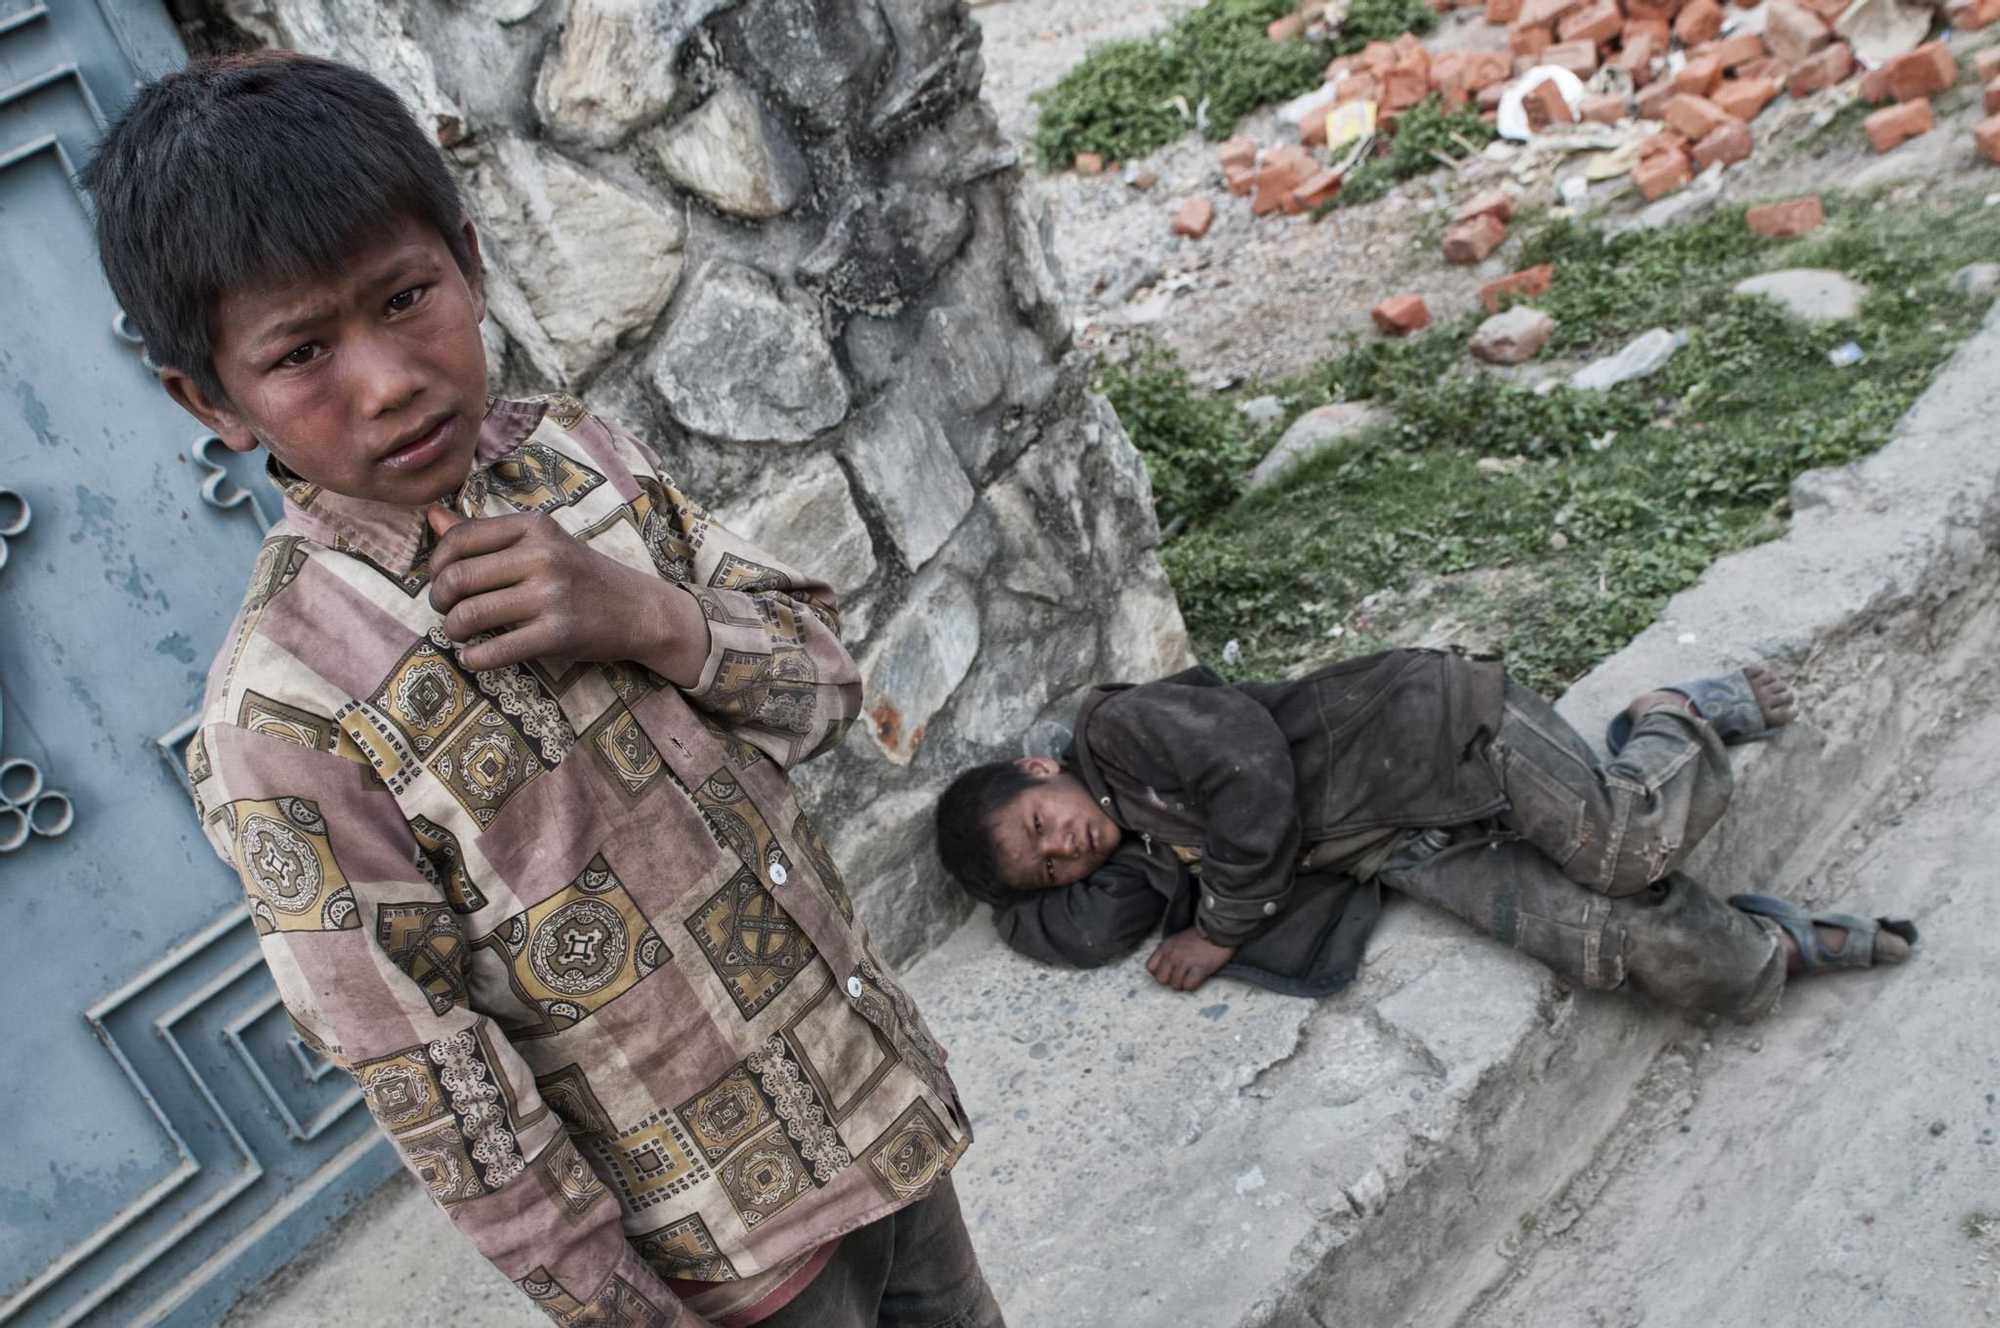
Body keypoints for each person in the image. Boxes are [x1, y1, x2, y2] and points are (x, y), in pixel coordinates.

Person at [84, 51, 1001, 1328]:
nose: (388, 376)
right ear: (211, 400)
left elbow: (823, 692)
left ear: (467, 259)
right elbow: (440, 1090)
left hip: (884, 1117)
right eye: (301, 351)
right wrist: (631, 1311)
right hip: (729, 1265)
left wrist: (648, 615)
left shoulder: (580, 460)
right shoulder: (284, 718)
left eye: (406, 296)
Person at [934, 648, 1915, 1019]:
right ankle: (1768, 952)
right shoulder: (1129, 848)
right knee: (1598, 938)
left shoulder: (1119, 729)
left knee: (1623, 848)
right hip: (1406, 842)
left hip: (1442, 732)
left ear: (1037, 764)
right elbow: (1081, 928)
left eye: (1040, 823)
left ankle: (1672, 713)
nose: (1067, 847)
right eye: (1051, 864)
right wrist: (1003, 892)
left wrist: (1223, 925)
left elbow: (1249, 769)